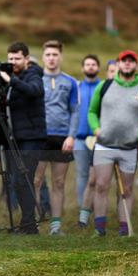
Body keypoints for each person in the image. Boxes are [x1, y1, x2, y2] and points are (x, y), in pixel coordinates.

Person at [88, 50, 138, 236]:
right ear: (118, 64)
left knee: (126, 189)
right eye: (124, 61)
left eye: (131, 61)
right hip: (104, 146)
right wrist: (96, 129)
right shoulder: (104, 86)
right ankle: (99, 229)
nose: (127, 64)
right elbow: (92, 112)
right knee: (101, 185)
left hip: (129, 148)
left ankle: (124, 229)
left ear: (136, 65)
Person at [0, 42, 46, 234]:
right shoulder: (12, 79)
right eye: (10, 59)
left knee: (23, 178)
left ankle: (29, 224)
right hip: (15, 137)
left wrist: (10, 80)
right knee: (16, 180)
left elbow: (34, 90)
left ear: (26, 59)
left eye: (17, 58)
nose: (13, 62)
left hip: (32, 137)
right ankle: (28, 223)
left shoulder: (33, 74)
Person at [34, 40, 78, 235]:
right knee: (36, 180)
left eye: (55, 54)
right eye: (48, 55)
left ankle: (56, 225)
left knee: (59, 182)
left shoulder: (70, 82)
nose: (51, 58)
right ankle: (32, 222)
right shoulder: (35, 79)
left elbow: (75, 111)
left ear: (61, 56)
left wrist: (71, 136)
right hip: (40, 136)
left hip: (62, 137)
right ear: (43, 57)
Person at [74, 55, 101, 228]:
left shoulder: (104, 87)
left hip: (100, 140)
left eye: (93, 64)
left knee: (98, 178)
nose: (90, 67)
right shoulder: (76, 87)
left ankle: (98, 211)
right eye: (87, 64)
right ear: (83, 67)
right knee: (82, 175)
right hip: (80, 139)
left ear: (98, 67)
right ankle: (82, 212)